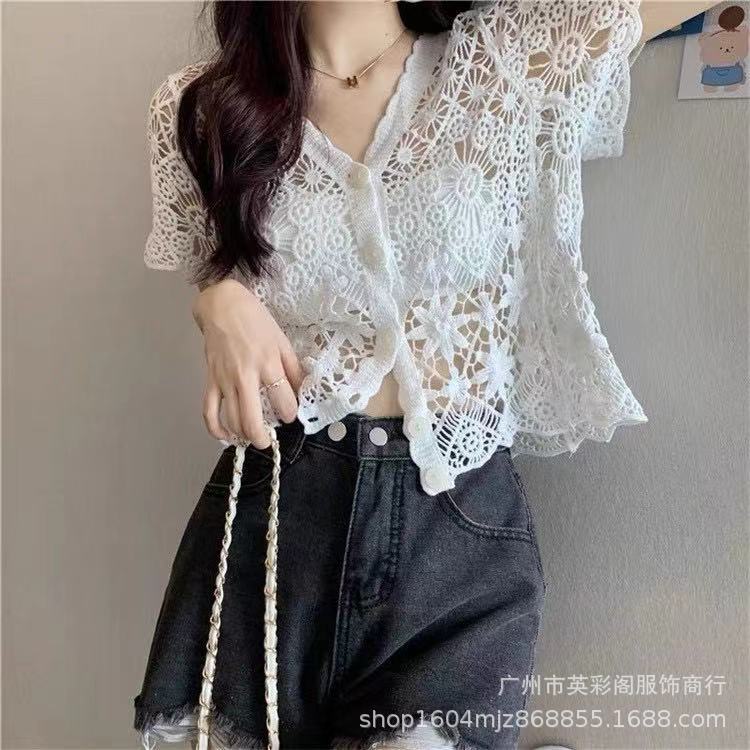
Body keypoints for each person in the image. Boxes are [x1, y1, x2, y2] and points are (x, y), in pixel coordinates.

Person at [133, 2, 712, 749]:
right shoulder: (203, 107)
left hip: (456, 529)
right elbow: (216, 262)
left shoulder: (507, 60)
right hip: (271, 522)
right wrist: (215, 299)